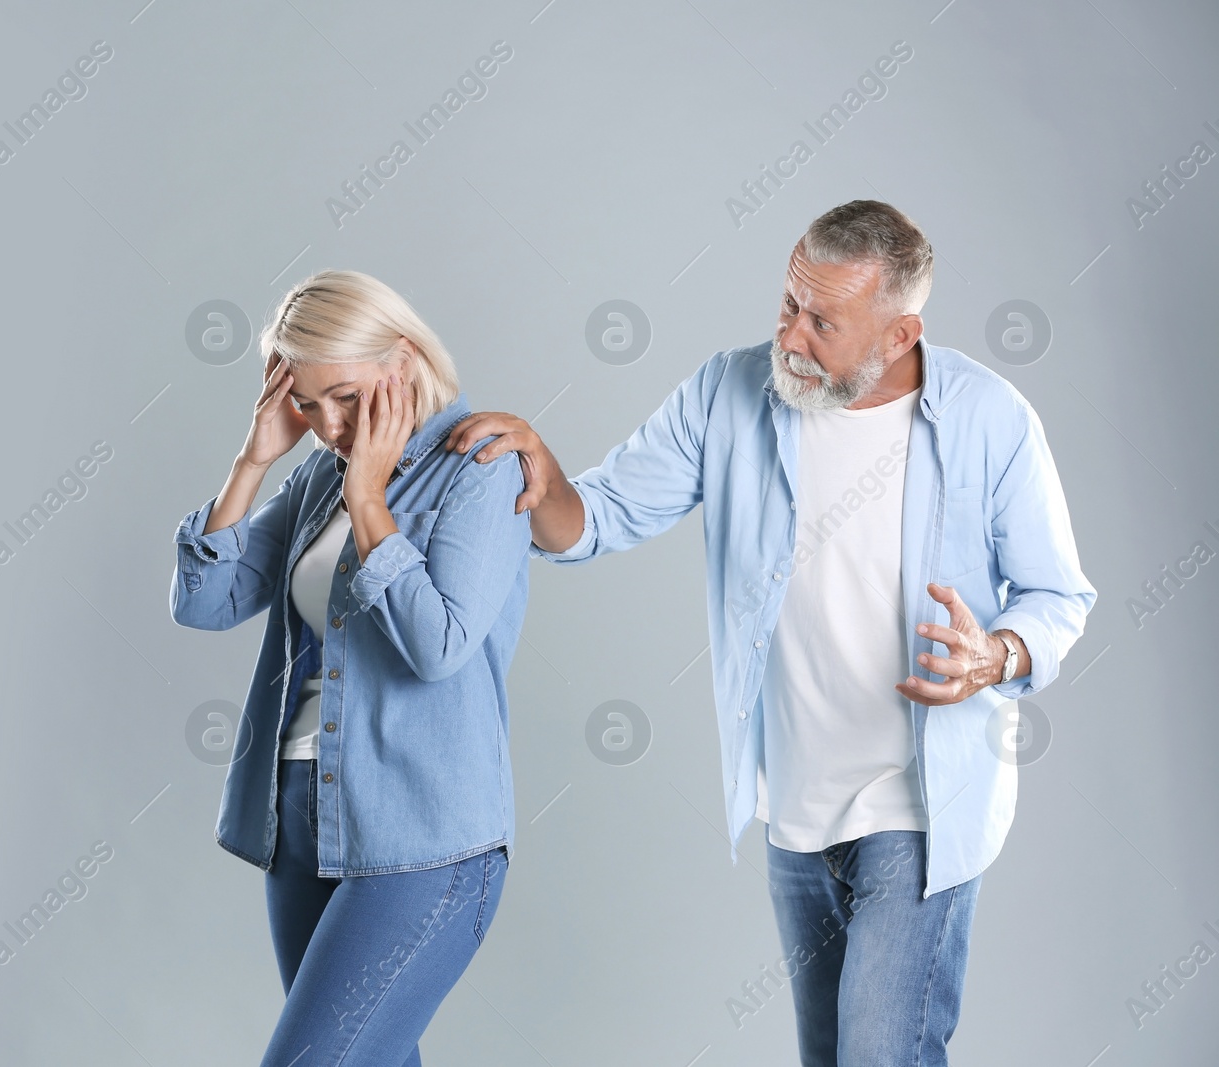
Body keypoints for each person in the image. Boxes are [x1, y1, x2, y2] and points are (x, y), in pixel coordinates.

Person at [445, 201, 1097, 1066]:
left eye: (822, 321)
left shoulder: (990, 418)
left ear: (900, 335)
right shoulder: (728, 391)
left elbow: (1058, 594)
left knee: (879, 1053)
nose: (790, 335)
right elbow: (591, 519)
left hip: (923, 804)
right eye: (788, 304)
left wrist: (999, 655)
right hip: (793, 806)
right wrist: (538, 462)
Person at [170, 269, 531, 1066]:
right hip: (299, 821)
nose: (328, 424)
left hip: (424, 839)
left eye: (343, 396)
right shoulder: (314, 476)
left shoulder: (481, 464)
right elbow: (204, 601)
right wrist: (254, 459)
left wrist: (371, 499)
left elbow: (437, 646)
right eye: (306, 401)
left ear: (401, 359)